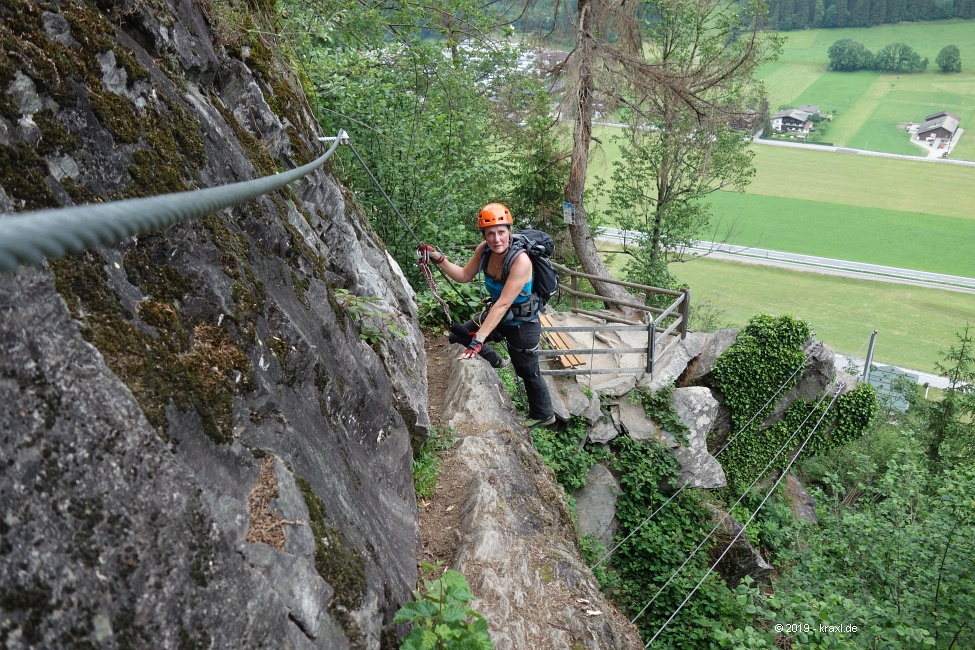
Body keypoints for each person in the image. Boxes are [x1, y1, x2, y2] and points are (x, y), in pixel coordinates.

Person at [418, 203, 555, 428]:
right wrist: (437, 257)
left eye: (501, 232)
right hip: (498, 318)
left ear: (509, 231)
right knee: (458, 336)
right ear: (484, 235)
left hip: (522, 325)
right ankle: (496, 360)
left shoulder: (520, 261)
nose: (496, 238)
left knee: (527, 371)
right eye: (490, 233)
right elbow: (463, 275)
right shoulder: (484, 250)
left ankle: (543, 414)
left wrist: (478, 341)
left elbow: (502, 304)